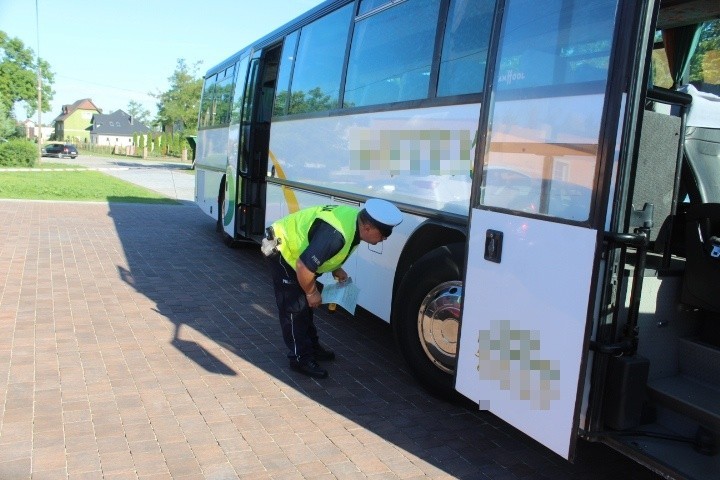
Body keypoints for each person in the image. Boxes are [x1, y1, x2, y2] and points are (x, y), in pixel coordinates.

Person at [263, 199, 403, 379]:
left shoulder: (355, 222)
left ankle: (311, 348)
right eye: (384, 234)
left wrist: (336, 268)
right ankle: (300, 358)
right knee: (295, 308)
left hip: (299, 257)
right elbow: (304, 266)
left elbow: (324, 251)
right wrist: (312, 292)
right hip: (283, 250)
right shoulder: (337, 234)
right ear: (368, 228)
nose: (384, 239)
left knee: (304, 308)